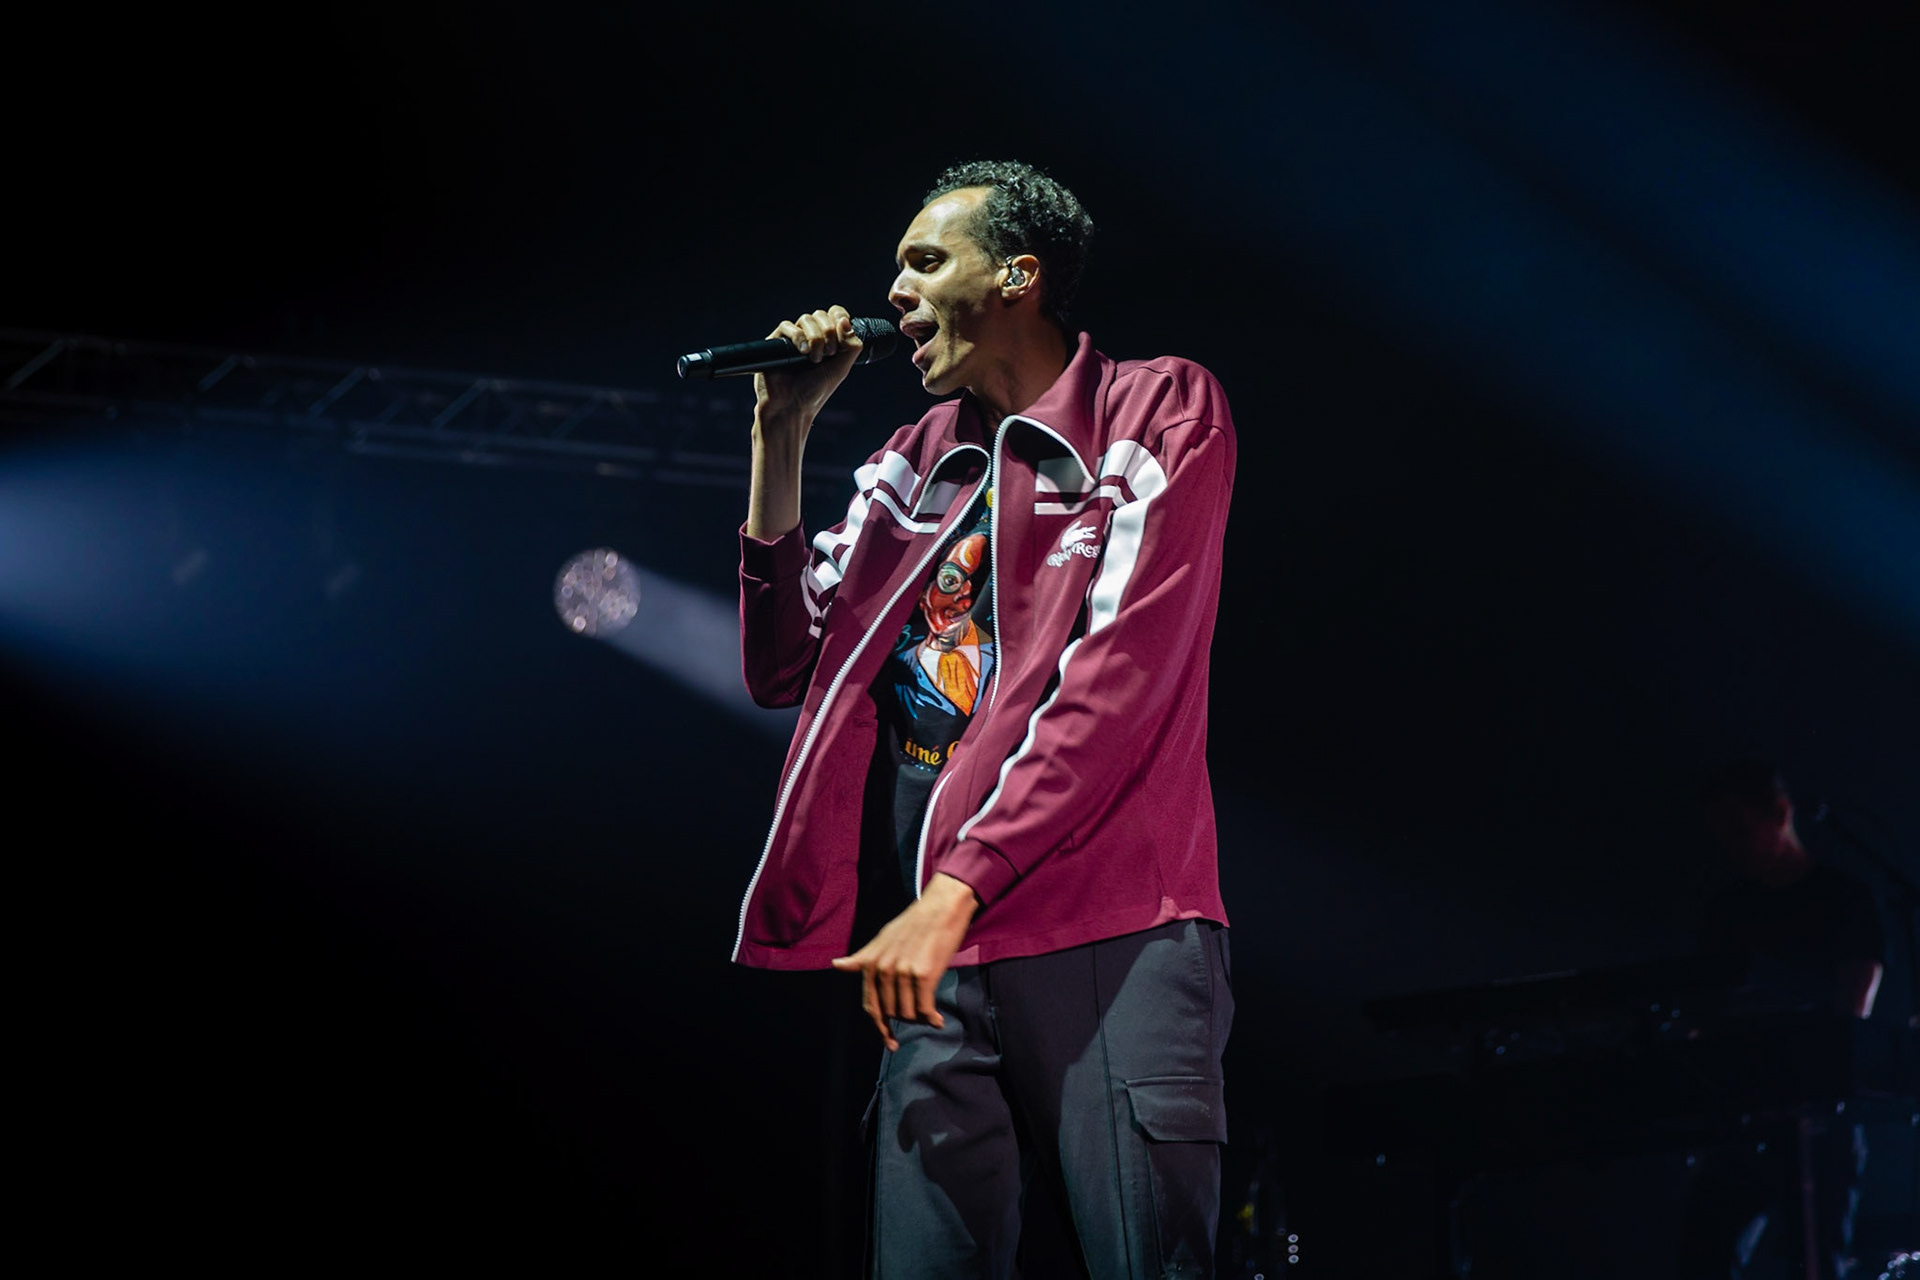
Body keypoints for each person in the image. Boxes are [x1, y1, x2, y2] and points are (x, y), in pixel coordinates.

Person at [733, 160, 1236, 1278]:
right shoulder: (910, 463)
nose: (896, 294)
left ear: (1017, 276)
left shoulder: (1157, 408)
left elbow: (1118, 680)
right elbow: (785, 669)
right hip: (935, 956)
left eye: (924, 262)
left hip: (1112, 929)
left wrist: (952, 891)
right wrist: (781, 435)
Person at [1680, 761, 1887, 1280]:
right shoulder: (1727, 909)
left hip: (1822, 1117)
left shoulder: (1845, 900)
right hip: (1740, 1115)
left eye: (1739, 830)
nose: (1731, 847)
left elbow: (1850, 1014)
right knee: (1703, 1259)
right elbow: (1703, 1013)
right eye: (1721, 836)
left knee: (1814, 1265)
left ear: (1781, 813)